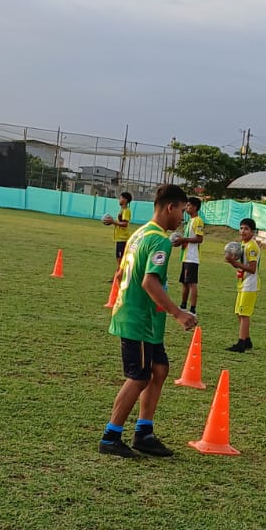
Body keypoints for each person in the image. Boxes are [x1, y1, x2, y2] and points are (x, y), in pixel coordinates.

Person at [100, 183, 198, 458]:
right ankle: (110, 436)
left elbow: (121, 274)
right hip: (139, 319)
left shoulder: (139, 233)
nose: (182, 217)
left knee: (160, 368)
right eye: (181, 211)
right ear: (170, 207)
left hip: (143, 318)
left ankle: (144, 433)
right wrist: (178, 313)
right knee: (139, 377)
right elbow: (149, 282)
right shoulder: (159, 240)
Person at [224, 217, 260, 352]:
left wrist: (235, 263)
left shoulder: (252, 246)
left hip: (250, 284)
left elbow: (252, 268)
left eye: (246, 229)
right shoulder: (242, 245)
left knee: (244, 314)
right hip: (243, 283)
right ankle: (247, 340)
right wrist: (234, 264)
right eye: (241, 228)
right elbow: (242, 265)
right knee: (239, 313)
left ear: (253, 232)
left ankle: (241, 343)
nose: (243, 231)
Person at [176, 196, 205, 313]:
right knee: (184, 282)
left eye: (188, 205)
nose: (186, 208)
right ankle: (183, 305)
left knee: (192, 283)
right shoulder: (189, 222)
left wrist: (184, 239)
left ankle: (192, 309)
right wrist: (181, 242)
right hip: (186, 256)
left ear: (195, 207)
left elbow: (199, 239)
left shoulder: (198, 221)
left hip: (192, 257)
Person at [112, 191, 132, 269]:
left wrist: (113, 222)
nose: (119, 200)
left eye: (120, 198)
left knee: (121, 260)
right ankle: (118, 274)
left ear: (125, 200)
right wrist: (112, 222)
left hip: (123, 239)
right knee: (119, 259)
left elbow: (125, 224)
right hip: (120, 238)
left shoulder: (126, 210)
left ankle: (120, 275)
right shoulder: (122, 210)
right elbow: (120, 223)